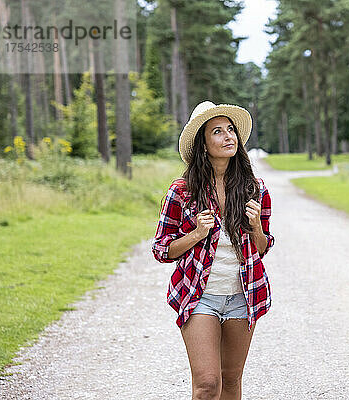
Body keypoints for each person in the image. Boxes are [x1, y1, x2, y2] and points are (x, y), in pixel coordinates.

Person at [151, 101, 275, 400]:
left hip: (243, 296)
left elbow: (262, 248)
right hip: (199, 297)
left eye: (230, 130)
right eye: (217, 131)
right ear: (203, 144)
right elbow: (161, 250)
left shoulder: (254, 188)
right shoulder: (182, 191)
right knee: (208, 384)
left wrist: (256, 225)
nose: (228, 136)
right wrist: (197, 233)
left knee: (231, 381)